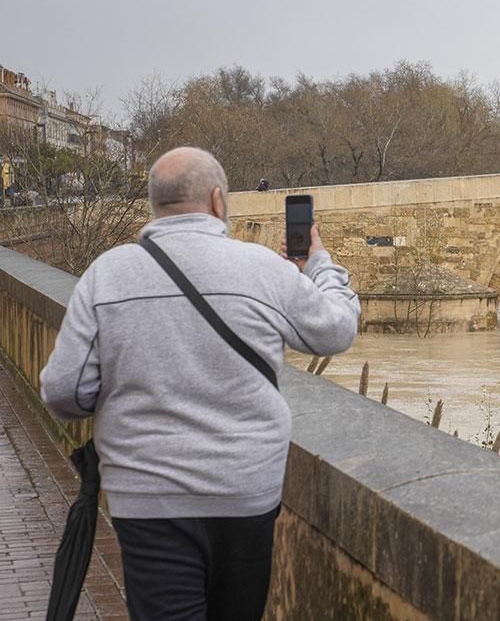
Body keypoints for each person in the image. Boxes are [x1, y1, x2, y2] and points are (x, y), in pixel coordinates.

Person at [40, 147, 360, 620]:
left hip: (148, 496)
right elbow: (336, 330)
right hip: (244, 488)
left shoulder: (106, 274)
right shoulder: (262, 268)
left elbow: (64, 391)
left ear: (154, 203)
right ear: (216, 199)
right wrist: (319, 265)